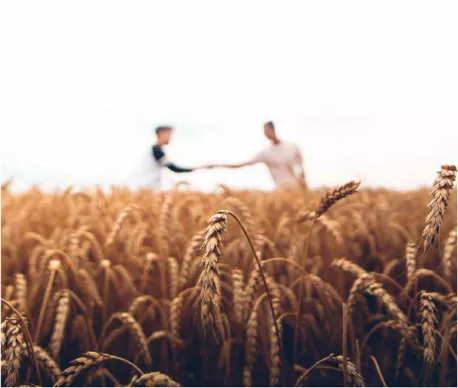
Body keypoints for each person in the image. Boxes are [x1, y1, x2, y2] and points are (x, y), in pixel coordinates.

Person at [209, 121, 307, 189]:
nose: (264, 133)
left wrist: (303, 183)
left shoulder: (292, 147)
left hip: (296, 190)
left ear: (272, 129)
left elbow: (301, 167)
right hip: (281, 191)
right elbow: (242, 164)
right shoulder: (265, 153)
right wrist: (217, 165)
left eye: (266, 130)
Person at [131, 125, 208, 190]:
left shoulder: (155, 150)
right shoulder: (157, 151)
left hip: (147, 187)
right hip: (146, 187)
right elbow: (174, 169)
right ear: (160, 134)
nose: (171, 138)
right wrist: (199, 168)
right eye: (168, 135)